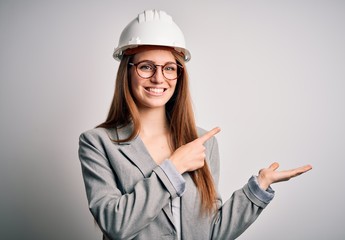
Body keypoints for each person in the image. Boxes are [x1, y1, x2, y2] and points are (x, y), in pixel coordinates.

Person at [78, 9, 312, 240]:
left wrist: (258, 188)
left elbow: (211, 232)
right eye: (146, 66)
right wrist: (174, 167)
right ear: (127, 71)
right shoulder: (97, 143)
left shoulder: (202, 144)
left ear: (179, 75)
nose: (159, 78)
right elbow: (115, 225)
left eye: (169, 68)